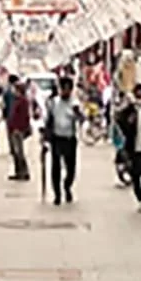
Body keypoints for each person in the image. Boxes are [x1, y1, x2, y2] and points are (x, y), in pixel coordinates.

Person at [44, 74, 81, 206]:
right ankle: (57, 194)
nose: (65, 91)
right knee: (56, 167)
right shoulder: (53, 102)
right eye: (63, 88)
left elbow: (81, 119)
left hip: (69, 138)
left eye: (67, 89)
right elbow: (48, 120)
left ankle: (67, 186)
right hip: (57, 138)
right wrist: (45, 139)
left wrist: (77, 114)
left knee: (71, 168)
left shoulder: (75, 103)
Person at [6, 77, 32, 181]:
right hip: (13, 128)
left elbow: (24, 116)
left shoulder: (23, 101)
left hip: (18, 129)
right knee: (15, 152)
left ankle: (24, 172)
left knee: (19, 152)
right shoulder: (17, 100)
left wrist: (21, 128)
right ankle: (18, 172)